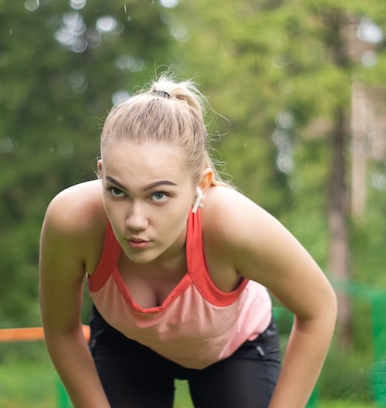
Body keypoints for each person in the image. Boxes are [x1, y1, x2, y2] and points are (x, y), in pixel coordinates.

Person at [39, 74, 337, 408]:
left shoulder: (234, 226)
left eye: (159, 195)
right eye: (117, 191)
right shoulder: (73, 220)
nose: (134, 221)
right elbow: (62, 332)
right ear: (100, 174)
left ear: (202, 185)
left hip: (234, 350)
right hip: (125, 344)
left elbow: (319, 308)